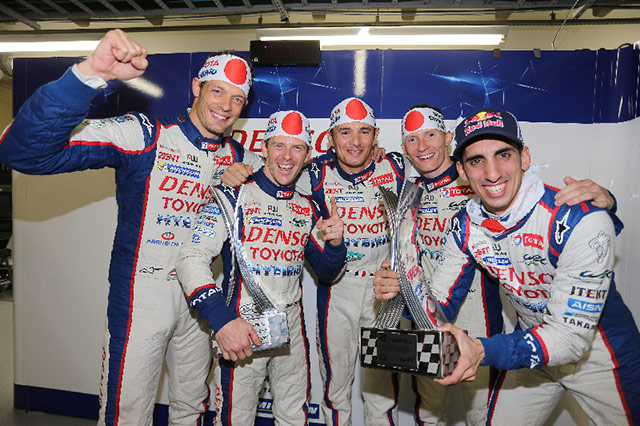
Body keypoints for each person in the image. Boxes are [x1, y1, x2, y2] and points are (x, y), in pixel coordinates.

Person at [0, 29, 263, 425]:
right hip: (143, 293)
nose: (226, 106)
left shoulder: (238, 155)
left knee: (192, 407)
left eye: (237, 98)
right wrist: (89, 74)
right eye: (218, 92)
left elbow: (294, 182)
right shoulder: (145, 135)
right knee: (128, 413)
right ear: (197, 87)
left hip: (201, 296)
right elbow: (23, 151)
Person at [374, 108, 640, 425]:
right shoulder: (466, 224)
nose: (492, 173)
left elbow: (568, 339)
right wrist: (402, 294)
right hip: (532, 347)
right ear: (461, 170)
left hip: (600, 355)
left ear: (524, 158)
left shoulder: (576, 217)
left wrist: (482, 350)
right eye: (476, 161)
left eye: (503, 155)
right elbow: (441, 305)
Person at [176, 110, 347, 425]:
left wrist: (336, 246)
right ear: (264, 149)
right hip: (242, 326)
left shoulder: (307, 206)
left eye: (297, 148)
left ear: (307, 155)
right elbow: (191, 257)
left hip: (291, 328)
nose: (287, 156)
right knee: (236, 418)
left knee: (294, 416)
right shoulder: (232, 194)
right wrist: (222, 320)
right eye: (279, 145)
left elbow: (326, 273)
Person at [307, 97, 409, 426]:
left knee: (382, 392)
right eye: (345, 132)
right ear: (330, 137)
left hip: (383, 293)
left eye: (364, 132)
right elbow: (273, 170)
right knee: (336, 388)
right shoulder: (315, 173)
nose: (355, 141)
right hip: (337, 293)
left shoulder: (395, 167)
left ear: (376, 136)